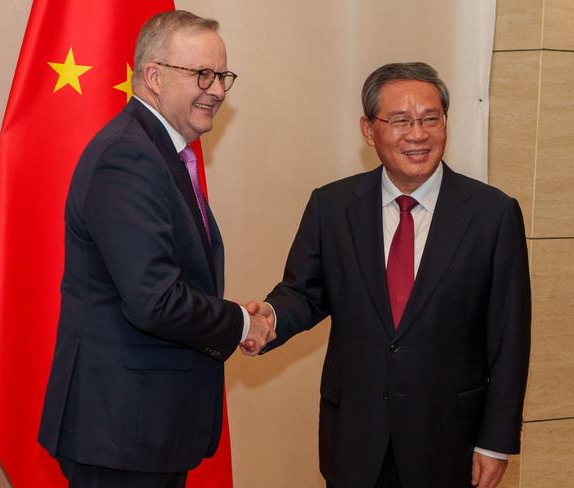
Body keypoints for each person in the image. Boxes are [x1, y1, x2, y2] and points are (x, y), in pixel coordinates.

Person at [245, 62, 530, 488]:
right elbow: (304, 292)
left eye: (430, 119)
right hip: (355, 439)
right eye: (399, 121)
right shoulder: (333, 206)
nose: (417, 134)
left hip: (450, 442)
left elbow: (510, 337)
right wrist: (270, 319)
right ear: (368, 128)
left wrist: (495, 441)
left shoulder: (493, 214)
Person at [38, 10, 275, 488]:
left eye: (222, 75)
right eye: (202, 74)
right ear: (153, 76)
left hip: (143, 429)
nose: (218, 90)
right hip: (121, 431)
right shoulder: (129, 156)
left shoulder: (160, 152)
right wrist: (243, 323)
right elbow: (155, 300)